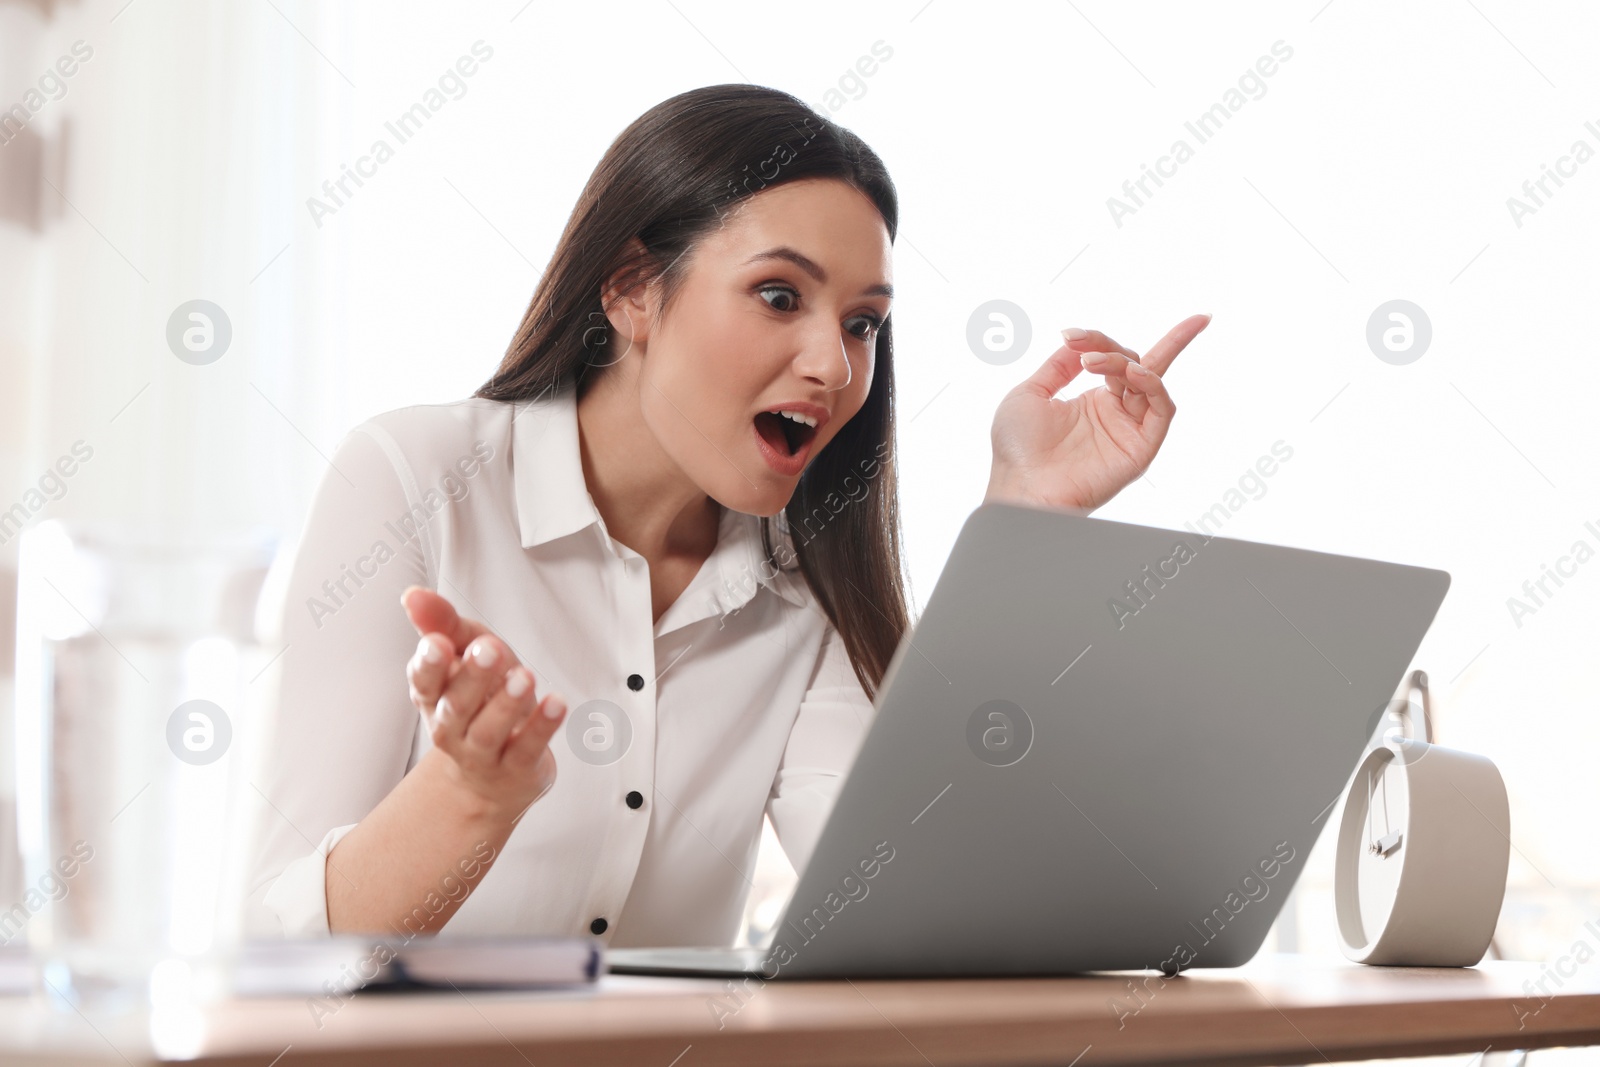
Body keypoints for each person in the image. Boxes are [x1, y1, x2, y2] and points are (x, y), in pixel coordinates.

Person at [244, 83, 1208, 945]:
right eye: (779, 295)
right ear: (630, 290)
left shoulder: (807, 584)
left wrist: (1024, 520)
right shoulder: (413, 479)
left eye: (863, 321)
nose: (836, 366)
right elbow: (276, 949)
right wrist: (465, 795)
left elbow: (908, 895)